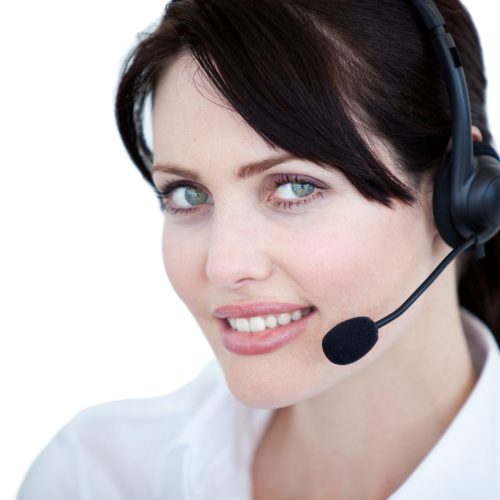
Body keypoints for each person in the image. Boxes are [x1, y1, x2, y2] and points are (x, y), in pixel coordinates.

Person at [18, 0, 500, 499]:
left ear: (460, 193)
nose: (224, 266)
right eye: (188, 194)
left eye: (294, 188)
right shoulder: (94, 478)